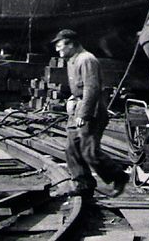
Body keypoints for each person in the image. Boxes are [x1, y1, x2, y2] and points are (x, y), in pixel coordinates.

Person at [53, 28, 129, 199]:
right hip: (78, 109)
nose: (57, 49)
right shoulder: (72, 60)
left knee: (89, 151)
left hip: (91, 111)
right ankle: (84, 185)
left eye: (59, 45)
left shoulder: (86, 60)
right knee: (71, 148)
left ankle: (119, 176)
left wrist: (84, 114)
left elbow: (91, 88)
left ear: (71, 44)